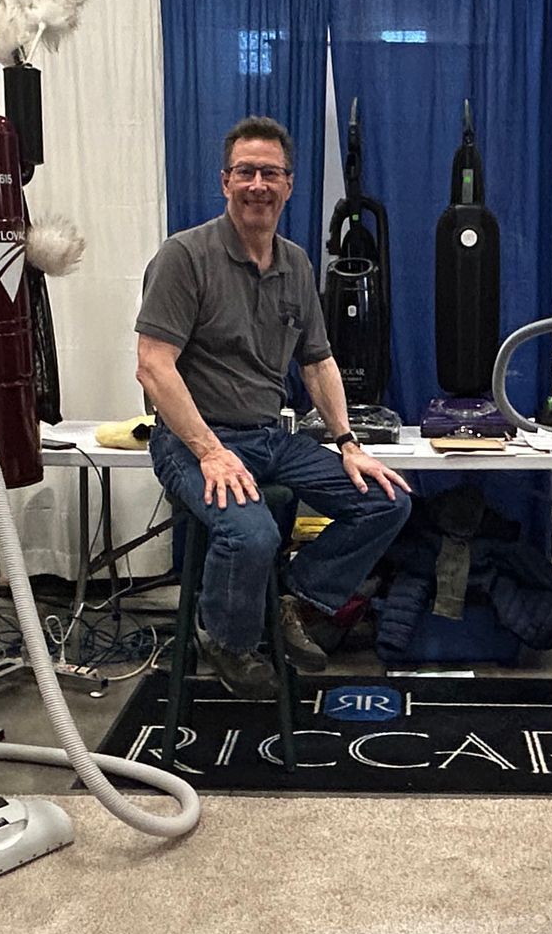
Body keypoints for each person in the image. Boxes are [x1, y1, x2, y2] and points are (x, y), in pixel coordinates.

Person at [135, 115, 413, 698]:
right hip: (193, 440)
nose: (257, 184)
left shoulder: (296, 264)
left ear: (289, 185)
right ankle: (227, 641)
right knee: (252, 535)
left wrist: (348, 443)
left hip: (268, 437)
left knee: (387, 501)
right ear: (224, 181)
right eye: (245, 172)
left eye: (270, 173)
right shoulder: (184, 257)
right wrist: (210, 453)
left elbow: (318, 362)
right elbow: (153, 366)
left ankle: (294, 600)